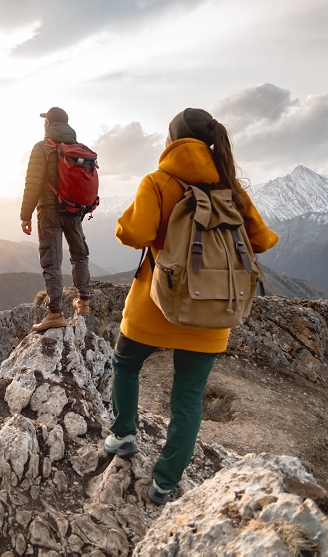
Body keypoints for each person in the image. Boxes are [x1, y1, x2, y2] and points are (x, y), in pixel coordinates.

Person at [105, 108, 278, 505]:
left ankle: (123, 435)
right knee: (187, 398)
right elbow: (263, 240)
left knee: (127, 364)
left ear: (172, 141)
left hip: (156, 306)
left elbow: (134, 232)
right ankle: (165, 483)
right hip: (213, 313)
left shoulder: (159, 181)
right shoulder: (231, 187)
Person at [20, 106, 92, 331]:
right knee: (79, 255)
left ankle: (55, 313)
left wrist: (25, 215)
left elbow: (33, 183)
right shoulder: (79, 149)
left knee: (51, 260)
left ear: (48, 124)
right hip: (74, 209)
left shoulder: (42, 147)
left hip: (49, 210)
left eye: (45, 121)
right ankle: (84, 301)